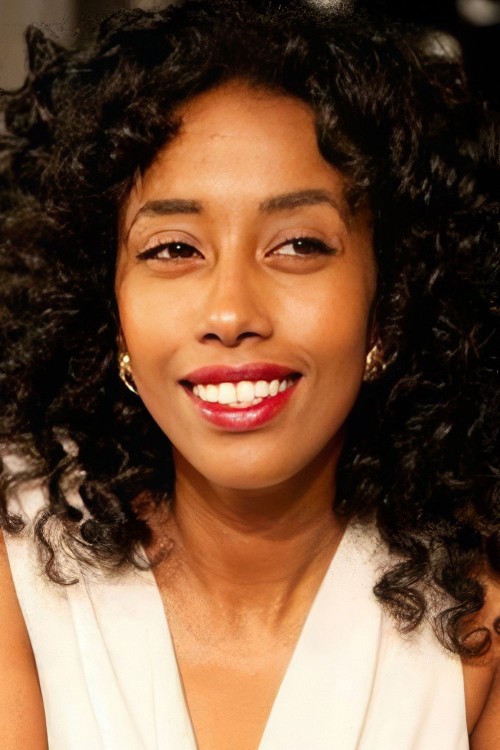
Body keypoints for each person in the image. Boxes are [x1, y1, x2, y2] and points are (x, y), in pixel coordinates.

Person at [0, 0, 498, 747]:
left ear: (388, 309)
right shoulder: (16, 567)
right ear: (111, 315)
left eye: (298, 245)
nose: (230, 312)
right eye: (174, 249)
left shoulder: (480, 625)